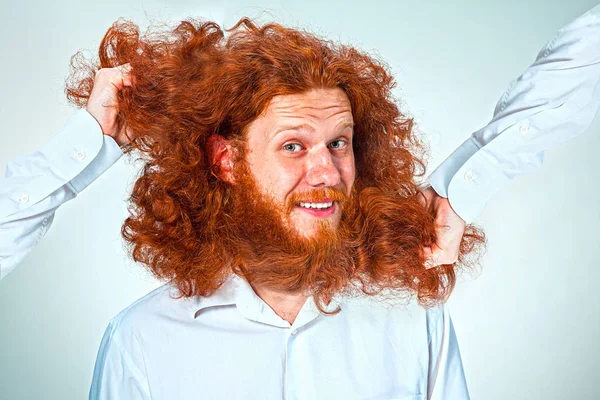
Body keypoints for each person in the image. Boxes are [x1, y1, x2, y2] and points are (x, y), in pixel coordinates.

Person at [0, 5, 598, 400]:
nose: (327, 171)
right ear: (225, 160)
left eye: (339, 143)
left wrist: (462, 184)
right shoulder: (142, 339)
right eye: (294, 145)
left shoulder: (414, 320)